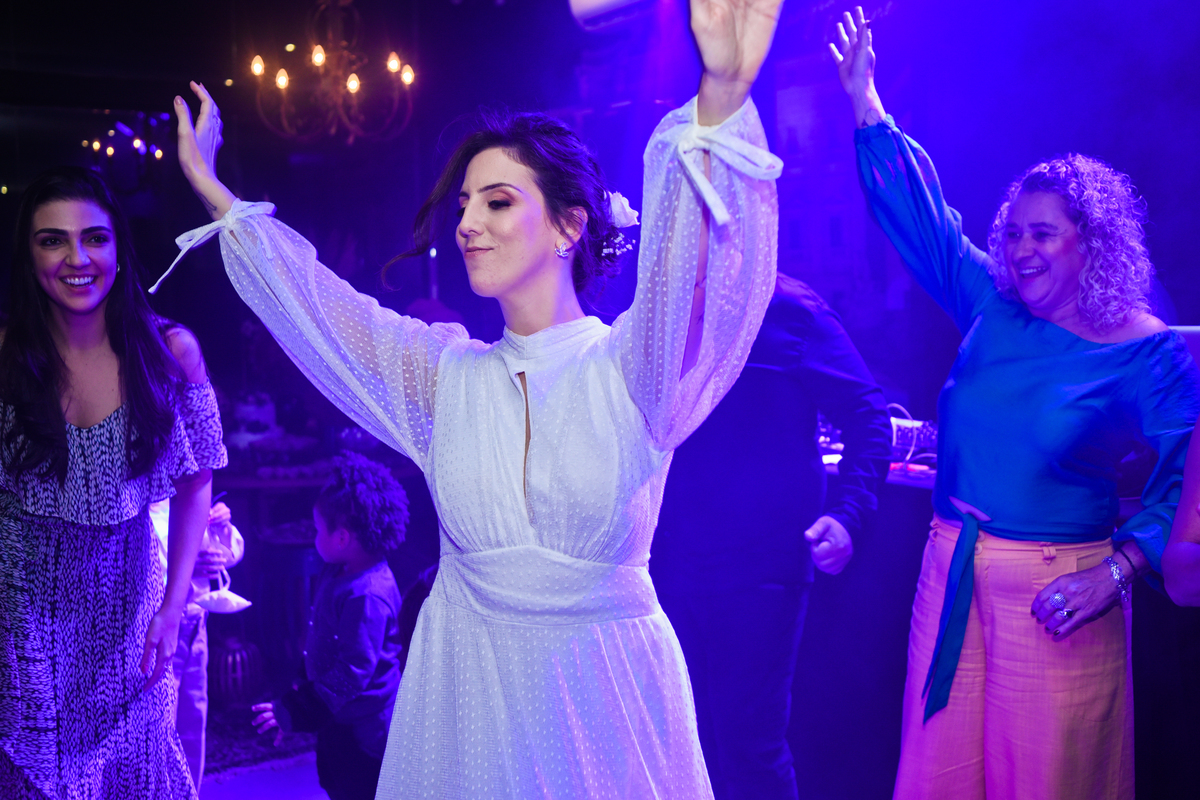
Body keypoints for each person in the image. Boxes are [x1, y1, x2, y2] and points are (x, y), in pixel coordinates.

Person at [171, 1, 784, 795]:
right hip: (467, 702)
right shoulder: (445, 377)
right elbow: (324, 309)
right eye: (462, 205)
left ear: (570, 227)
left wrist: (722, 97)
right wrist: (214, 192)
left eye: (497, 201)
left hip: (604, 704)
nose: (467, 223)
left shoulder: (632, 366)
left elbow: (698, 271)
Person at [829, 7, 1200, 799]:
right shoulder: (991, 307)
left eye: (1044, 234)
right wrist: (868, 106)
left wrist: (1119, 571)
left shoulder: (1147, 351)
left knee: (1047, 782)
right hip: (948, 571)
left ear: (1090, 244)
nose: (1022, 250)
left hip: (1058, 597)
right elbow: (924, 222)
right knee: (940, 776)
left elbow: (1187, 484)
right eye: (1015, 233)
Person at [0, 167, 225, 798]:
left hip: (133, 629)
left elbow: (195, 482)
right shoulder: (7, 358)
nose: (77, 258)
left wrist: (173, 609)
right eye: (53, 240)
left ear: (120, 248)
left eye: (94, 238)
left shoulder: (171, 352)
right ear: (28, 252)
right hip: (24, 629)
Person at [650, 273, 892, 800]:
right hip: (664, 564)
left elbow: (869, 416)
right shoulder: (659, 306)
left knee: (748, 748)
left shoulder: (790, 309)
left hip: (761, 570)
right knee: (676, 745)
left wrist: (849, 515)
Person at [250, 452, 408, 800]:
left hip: (365, 729)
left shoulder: (368, 596)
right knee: (336, 783)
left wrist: (293, 711)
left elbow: (352, 673)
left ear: (342, 537)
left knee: (360, 788)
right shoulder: (341, 571)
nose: (315, 536)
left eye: (320, 529)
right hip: (340, 717)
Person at [149, 497, 245, 791]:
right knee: (161, 724)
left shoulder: (187, 497)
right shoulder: (143, 508)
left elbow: (230, 553)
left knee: (194, 718)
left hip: (196, 622)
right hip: (161, 627)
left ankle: (192, 791)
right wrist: (188, 564)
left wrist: (222, 531)